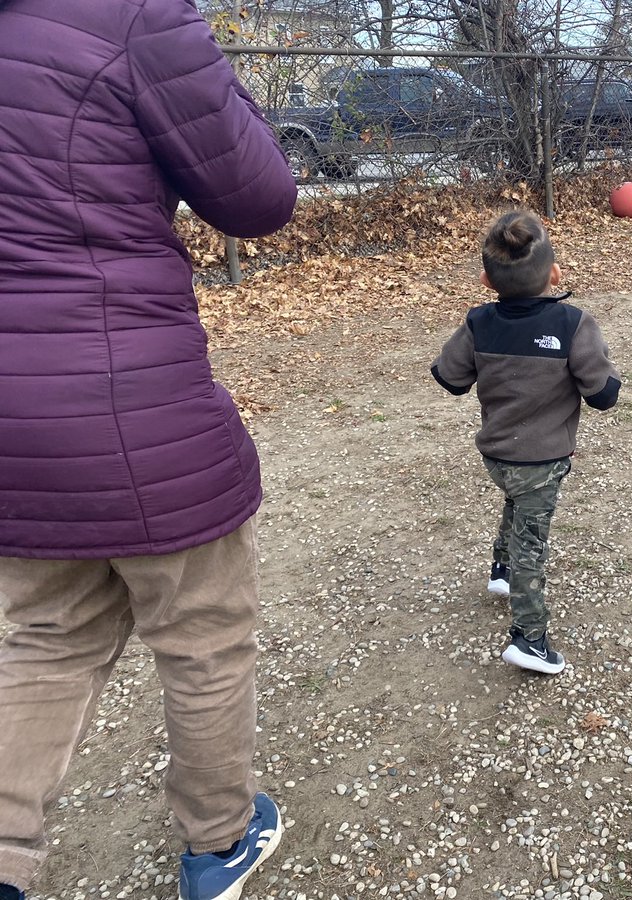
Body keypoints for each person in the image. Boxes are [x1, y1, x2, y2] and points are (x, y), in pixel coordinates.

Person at [0, 1, 298, 898]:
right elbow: (258, 196)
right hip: (128, 393)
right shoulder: (133, 14)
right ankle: (219, 840)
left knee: (47, 637)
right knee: (203, 629)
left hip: (11, 413)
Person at [431, 210, 621, 675]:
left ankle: (500, 571)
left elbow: (450, 379)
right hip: (542, 459)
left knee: (516, 503)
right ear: (554, 274)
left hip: (498, 456)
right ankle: (528, 638)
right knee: (531, 543)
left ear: (485, 279)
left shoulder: (478, 322)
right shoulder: (572, 324)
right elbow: (603, 395)